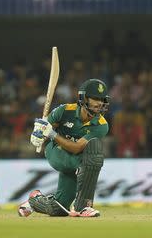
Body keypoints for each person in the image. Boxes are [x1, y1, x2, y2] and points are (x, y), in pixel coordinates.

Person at [19, 79, 109, 217]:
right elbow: (44, 127)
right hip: (56, 151)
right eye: (95, 98)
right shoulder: (64, 110)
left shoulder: (101, 125)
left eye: (102, 99)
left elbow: (76, 148)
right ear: (83, 98)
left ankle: (34, 201)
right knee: (92, 158)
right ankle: (83, 207)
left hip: (77, 159)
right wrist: (38, 134)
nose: (99, 103)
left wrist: (52, 133)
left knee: (58, 209)